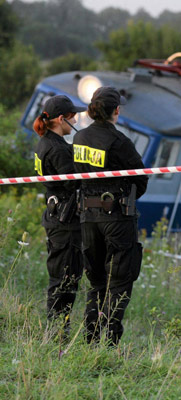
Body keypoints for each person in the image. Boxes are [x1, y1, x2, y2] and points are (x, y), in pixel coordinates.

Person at [72, 86, 148, 346]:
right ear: (116, 110)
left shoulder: (79, 137)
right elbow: (141, 178)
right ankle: (110, 342)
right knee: (119, 279)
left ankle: (90, 338)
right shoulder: (120, 142)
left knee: (95, 280)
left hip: (88, 218)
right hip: (116, 218)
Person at [33, 95, 86, 335]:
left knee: (63, 277)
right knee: (64, 279)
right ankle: (56, 332)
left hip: (56, 217)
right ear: (62, 119)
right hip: (64, 222)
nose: (76, 120)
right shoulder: (56, 148)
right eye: (73, 116)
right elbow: (72, 185)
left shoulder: (47, 141)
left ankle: (58, 329)